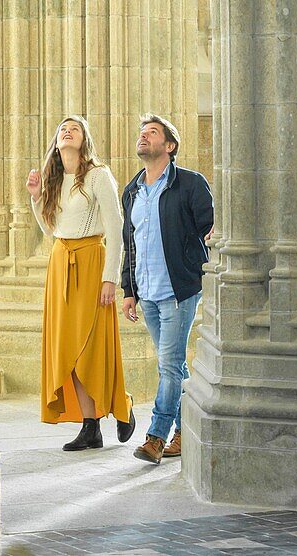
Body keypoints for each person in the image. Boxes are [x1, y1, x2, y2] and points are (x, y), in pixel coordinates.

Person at [26, 115, 136, 451]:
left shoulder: (98, 175)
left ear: (84, 137)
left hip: (91, 262)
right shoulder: (55, 179)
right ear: (56, 142)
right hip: (61, 262)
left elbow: (117, 229)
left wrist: (110, 279)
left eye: (74, 127)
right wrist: (35, 197)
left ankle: (122, 406)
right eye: (62, 128)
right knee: (68, 349)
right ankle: (91, 427)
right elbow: (51, 230)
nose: (67, 130)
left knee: (93, 347)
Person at [121, 113, 214, 464]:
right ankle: (187, 432)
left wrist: (208, 245)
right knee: (174, 366)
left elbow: (210, 226)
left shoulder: (189, 183)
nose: (143, 137)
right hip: (147, 292)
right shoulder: (132, 190)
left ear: (169, 146)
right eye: (142, 132)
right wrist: (129, 290)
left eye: (152, 132)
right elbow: (129, 244)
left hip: (179, 289)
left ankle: (156, 437)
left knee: (169, 366)